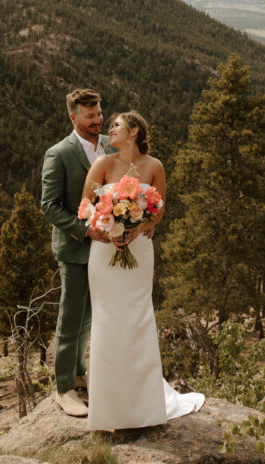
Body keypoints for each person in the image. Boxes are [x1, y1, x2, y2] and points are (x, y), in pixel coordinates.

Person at [81, 111, 205, 431]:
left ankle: (144, 407)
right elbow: (86, 207)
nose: (110, 129)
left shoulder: (155, 167)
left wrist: (140, 227)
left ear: (134, 132)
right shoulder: (103, 165)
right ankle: (108, 411)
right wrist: (108, 231)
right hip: (105, 254)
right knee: (107, 323)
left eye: (117, 126)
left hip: (139, 250)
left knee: (138, 320)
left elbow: (159, 209)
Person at [41, 88, 113, 417]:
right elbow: (49, 206)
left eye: (99, 114)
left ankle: (80, 373)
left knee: (88, 317)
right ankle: (63, 389)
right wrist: (85, 229)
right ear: (73, 118)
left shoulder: (111, 147)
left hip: (106, 247)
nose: (98, 120)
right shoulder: (59, 154)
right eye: (90, 116)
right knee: (70, 319)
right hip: (74, 248)